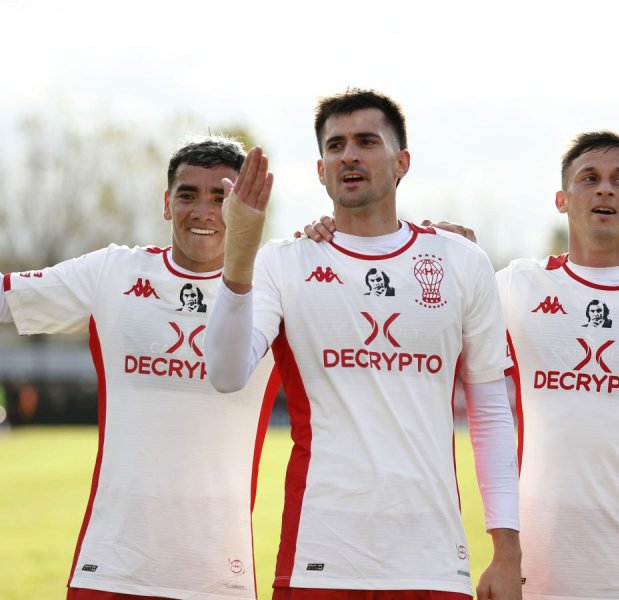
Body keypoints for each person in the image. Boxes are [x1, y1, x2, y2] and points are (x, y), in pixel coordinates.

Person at [298, 131, 619, 599]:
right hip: (530, 569)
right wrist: (331, 237)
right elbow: (407, 287)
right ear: (562, 199)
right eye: (589, 178)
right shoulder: (519, 285)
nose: (605, 189)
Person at [0, 139, 279, 600]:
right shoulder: (114, 272)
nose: (202, 210)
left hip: (220, 576)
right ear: (166, 204)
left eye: (222, 197)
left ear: (247, 206)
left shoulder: (277, 288)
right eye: (187, 194)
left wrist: (332, 233)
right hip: (112, 568)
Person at [203, 89, 522, 600]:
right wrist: (239, 253)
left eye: (367, 141)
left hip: (433, 561)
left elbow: (490, 414)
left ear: (402, 162)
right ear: (320, 169)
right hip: (319, 557)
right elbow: (224, 372)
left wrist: (507, 552)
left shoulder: (460, 261)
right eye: (335, 146)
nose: (348, 154)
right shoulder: (284, 262)